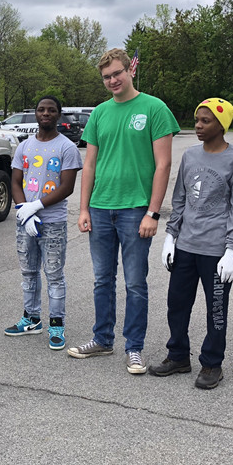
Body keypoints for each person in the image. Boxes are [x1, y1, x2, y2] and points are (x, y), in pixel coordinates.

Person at [68, 48, 179, 374]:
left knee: (135, 283)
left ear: (130, 70)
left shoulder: (154, 108)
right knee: (102, 280)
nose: (112, 80)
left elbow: (164, 164)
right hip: (101, 209)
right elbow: (89, 164)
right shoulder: (100, 113)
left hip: (135, 210)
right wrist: (83, 208)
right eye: (106, 77)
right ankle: (102, 339)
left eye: (117, 73)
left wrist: (153, 213)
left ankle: (134, 347)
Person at [149, 98, 233, 389]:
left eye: (206, 121)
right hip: (186, 246)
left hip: (216, 251)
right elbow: (180, 198)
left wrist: (232, 249)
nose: (198, 125)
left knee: (215, 309)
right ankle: (178, 355)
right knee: (177, 304)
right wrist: (171, 236)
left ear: (222, 125)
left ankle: (212, 363)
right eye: (197, 119)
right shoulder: (191, 156)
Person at [4, 96, 82, 350]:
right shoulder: (25, 146)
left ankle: (56, 324)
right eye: (41, 109)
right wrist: (24, 210)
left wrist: (37, 206)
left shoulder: (66, 147)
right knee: (28, 272)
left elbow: (67, 186)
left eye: (51, 110)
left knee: (54, 274)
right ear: (35, 113)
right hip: (26, 221)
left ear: (58, 115)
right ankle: (31, 318)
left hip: (53, 223)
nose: (45, 113)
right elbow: (16, 181)